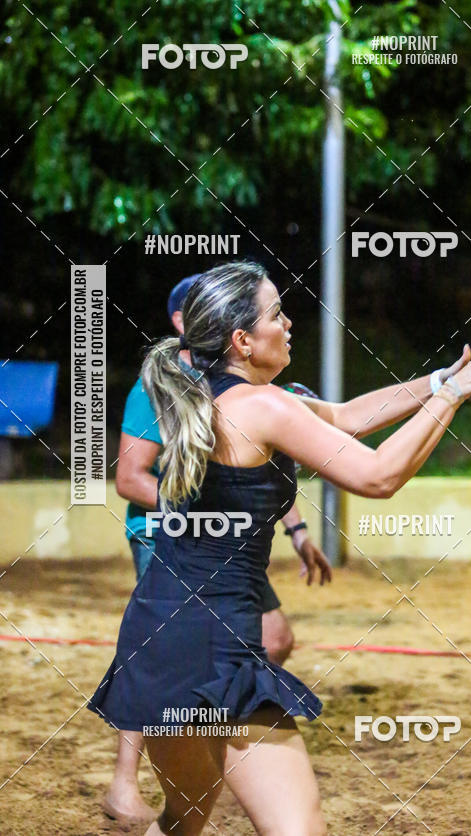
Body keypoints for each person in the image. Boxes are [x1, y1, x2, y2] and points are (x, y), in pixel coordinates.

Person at [89, 260, 471, 835]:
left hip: (158, 642)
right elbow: (378, 476)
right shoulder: (265, 407)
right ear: (242, 340)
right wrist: (456, 393)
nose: (290, 322)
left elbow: (349, 416)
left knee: (184, 819)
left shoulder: (209, 393)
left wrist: (439, 382)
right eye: (276, 313)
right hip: (214, 648)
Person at [103, 275, 331, 824]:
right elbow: (130, 477)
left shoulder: (258, 399)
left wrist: (296, 531)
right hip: (173, 543)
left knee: (271, 638)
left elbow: (263, 470)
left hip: (234, 545)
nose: (286, 322)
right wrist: (195, 513)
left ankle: (212, 736)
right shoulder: (158, 389)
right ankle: (124, 779)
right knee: (164, 661)